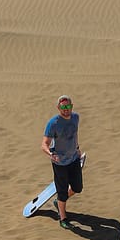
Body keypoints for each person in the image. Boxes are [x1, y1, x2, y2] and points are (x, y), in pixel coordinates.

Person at [41, 95, 82, 229]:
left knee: (77, 187)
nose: (66, 109)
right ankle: (63, 218)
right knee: (62, 191)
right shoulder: (53, 123)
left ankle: (58, 202)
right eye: (63, 107)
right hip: (60, 163)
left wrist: (77, 148)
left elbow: (75, 135)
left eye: (68, 106)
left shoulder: (75, 118)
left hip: (74, 159)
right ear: (58, 108)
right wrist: (51, 154)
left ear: (72, 106)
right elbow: (44, 144)